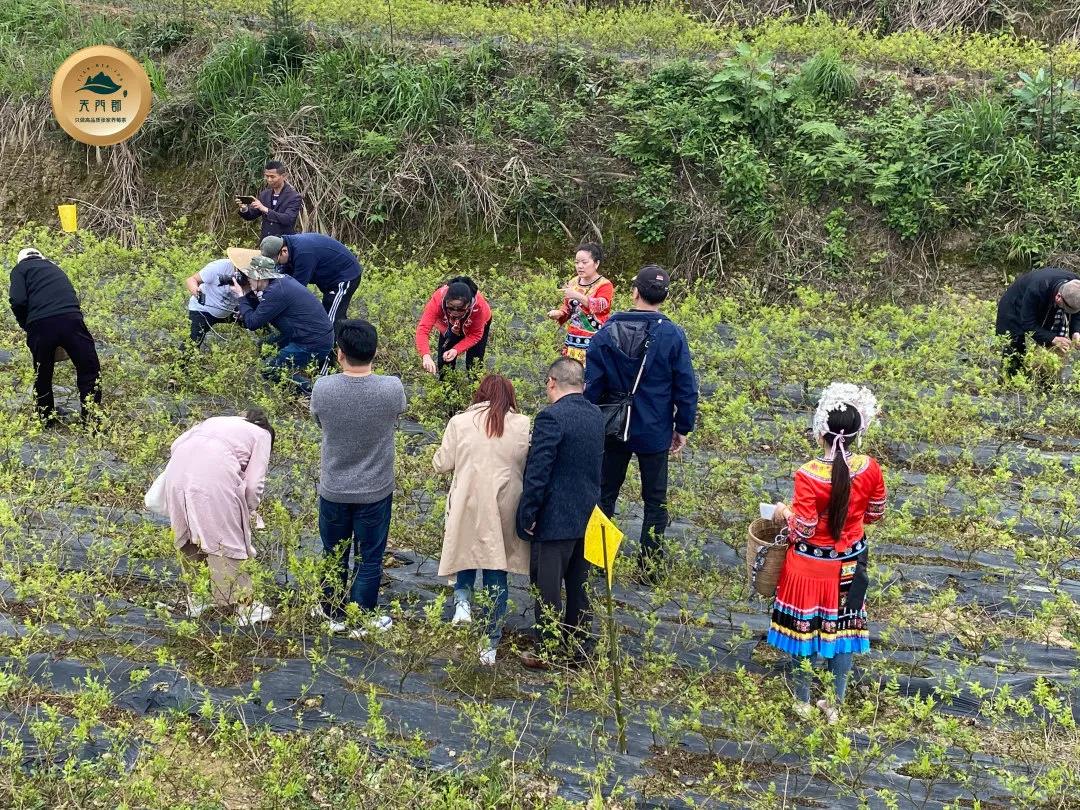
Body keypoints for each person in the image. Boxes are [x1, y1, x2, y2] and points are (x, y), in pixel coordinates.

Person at [768, 383, 887, 725]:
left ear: (821, 431)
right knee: (844, 631)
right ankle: (835, 704)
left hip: (808, 566)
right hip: (850, 561)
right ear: (856, 432)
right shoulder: (870, 468)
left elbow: (803, 528)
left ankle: (802, 701)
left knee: (803, 632)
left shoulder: (808, 474)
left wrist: (783, 513)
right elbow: (875, 514)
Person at [584, 264, 699, 581]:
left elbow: (592, 385)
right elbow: (686, 386)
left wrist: (590, 421)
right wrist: (683, 426)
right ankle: (650, 568)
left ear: (634, 292)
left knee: (604, 493)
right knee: (655, 499)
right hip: (654, 427)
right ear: (664, 296)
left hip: (613, 426)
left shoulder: (605, 333)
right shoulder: (672, 335)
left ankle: (595, 560)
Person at [310, 319, 406, 636]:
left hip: (334, 488)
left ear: (340, 353)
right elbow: (397, 413)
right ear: (374, 351)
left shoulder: (323, 388)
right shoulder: (392, 388)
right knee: (369, 557)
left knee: (334, 553)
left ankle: (331, 611)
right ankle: (362, 616)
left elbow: (318, 421)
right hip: (375, 490)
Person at [433, 374, 531, 666]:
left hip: (468, 498)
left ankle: (462, 603)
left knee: (465, 549)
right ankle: (490, 642)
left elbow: (441, 464)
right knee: (495, 565)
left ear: (479, 394)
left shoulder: (460, 422)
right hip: (506, 502)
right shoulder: (523, 424)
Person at [515, 357, 604, 669]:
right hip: (587, 514)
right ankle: (579, 645)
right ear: (583, 384)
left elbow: (539, 471)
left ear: (551, 382)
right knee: (579, 585)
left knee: (547, 586)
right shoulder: (596, 415)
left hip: (555, 518)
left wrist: (528, 513)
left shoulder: (551, 418)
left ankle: (548, 648)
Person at [164, 409, 276, 626]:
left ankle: (197, 598)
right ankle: (243, 607)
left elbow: (175, 444)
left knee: (188, 534)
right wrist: (249, 509)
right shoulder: (262, 436)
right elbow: (253, 486)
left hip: (176, 474)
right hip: (214, 479)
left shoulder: (215, 420)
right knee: (227, 539)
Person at [7, 247, 101, 424]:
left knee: (42, 373)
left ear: (20, 260)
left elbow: (17, 300)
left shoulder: (19, 270)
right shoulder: (54, 267)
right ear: (42, 257)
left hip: (40, 325)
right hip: (71, 320)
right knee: (89, 369)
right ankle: (92, 420)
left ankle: (45, 418)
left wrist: (26, 324)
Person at [230, 252, 334, 395]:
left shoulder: (276, 293)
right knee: (265, 345)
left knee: (269, 370)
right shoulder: (280, 282)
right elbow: (261, 311)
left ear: (260, 277)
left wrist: (241, 297)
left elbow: (252, 323)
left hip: (312, 342)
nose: (248, 280)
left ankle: (318, 394)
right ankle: (280, 375)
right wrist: (248, 296)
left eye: (249, 277)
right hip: (303, 334)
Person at [995, 267, 1080, 377]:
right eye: (1068, 309)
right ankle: (1009, 383)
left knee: (1053, 346)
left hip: (1046, 301)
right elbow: (1028, 323)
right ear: (1058, 297)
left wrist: (1076, 332)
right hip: (1014, 305)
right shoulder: (1037, 289)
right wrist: (1052, 338)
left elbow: (1077, 312)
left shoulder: (1076, 285)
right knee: (1015, 347)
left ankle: (1044, 381)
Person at [260, 233, 361, 323]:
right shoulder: (288, 245)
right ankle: (343, 337)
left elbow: (296, 290)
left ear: (284, 251)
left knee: (330, 319)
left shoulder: (303, 255)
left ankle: (332, 342)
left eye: (276, 261)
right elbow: (282, 276)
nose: (277, 265)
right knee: (330, 311)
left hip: (345, 276)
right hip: (328, 276)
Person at [547, 243, 614, 363]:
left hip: (594, 340)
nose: (580, 266)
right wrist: (559, 313)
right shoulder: (573, 282)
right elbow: (567, 307)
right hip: (573, 339)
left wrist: (576, 295)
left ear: (596, 263)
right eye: (577, 262)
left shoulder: (605, 285)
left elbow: (602, 306)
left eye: (584, 262)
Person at [414, 276, 492, 376]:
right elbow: (423, 329)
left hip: (475, 327)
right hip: (449, 325)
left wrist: (456, 350)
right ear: (446, 301)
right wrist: (426, 355)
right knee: (444, 362)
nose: (455, 312)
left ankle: (474, 387)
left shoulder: (479, 307)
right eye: (450, 308)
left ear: (468, 305)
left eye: (460, 309)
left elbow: (476, 335)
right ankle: (448, 389)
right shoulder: (438, 300)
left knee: (474, 364)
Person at [237, 160, 302, 240]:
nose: (269, 180)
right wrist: (244, 208)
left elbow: (288, 219)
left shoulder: (294, 196)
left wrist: (265, 209)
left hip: (284, 244)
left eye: (272, 176)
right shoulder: (264, 194)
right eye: (267, 176)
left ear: (284, 176)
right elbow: (251, 215)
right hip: (266, 243)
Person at [184, 254, 241, 345]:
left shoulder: (252, 274)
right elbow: (191, 279)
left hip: (231, 310)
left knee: (255, 319)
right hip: (203, 309)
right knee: (192, 344)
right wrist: (196, 291)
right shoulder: (219, 267)